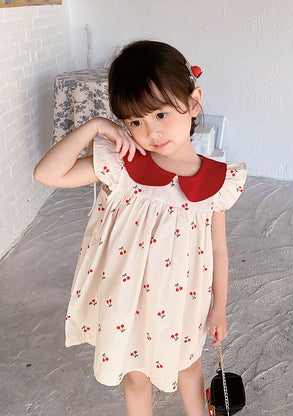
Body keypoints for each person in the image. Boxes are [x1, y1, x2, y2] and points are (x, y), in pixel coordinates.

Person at [34, 40, 247, 416]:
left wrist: (220, 307)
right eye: (135, 121)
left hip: (184, 300)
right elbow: (47, 174)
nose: (152, 132)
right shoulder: (124, 164)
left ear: (193, 102)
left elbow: (217, 249)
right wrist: (94, 126)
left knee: (187, 365)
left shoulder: (216, 181)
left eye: (161, 114)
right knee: (135, 376)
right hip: (129, 300)